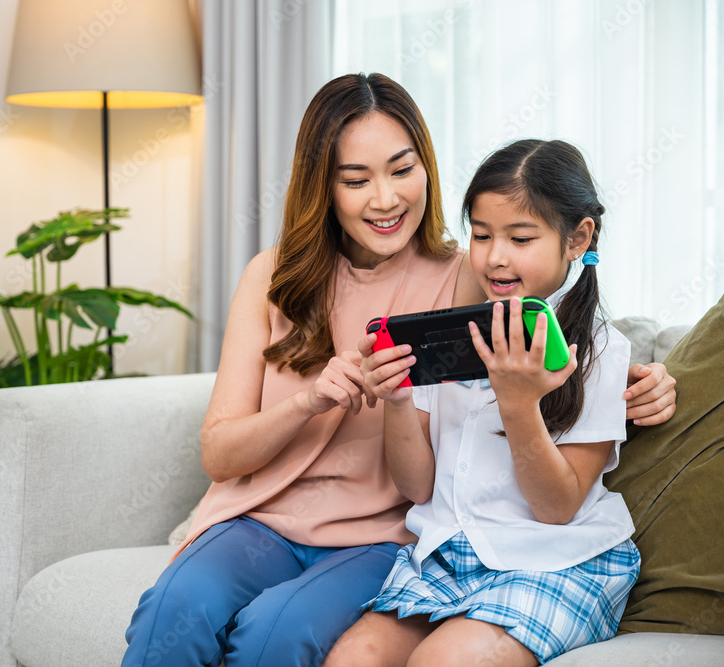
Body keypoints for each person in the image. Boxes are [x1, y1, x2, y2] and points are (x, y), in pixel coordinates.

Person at [121, 73, 675, 667]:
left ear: (426, 169)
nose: (384, 199)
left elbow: (561, 321)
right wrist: (310, 402)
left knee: (274, 634)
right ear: (323, 187)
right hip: (266, 523)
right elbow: (220, 453)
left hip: (382, 537)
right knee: (172, 610)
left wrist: (646, 380)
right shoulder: (271, 275)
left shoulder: (468, 275)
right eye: (356, 180)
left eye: (402, 169)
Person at [325, 139, 643, 667]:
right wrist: (398, 399)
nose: (495, 257)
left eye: (521, 238)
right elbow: (416, 487)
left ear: (577, 238)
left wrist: (518, 405)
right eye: (481, 234)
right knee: (352, 659)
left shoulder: (600, 351)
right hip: (449, 557)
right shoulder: (447, 334)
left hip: (555, 561)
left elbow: (557, 509)